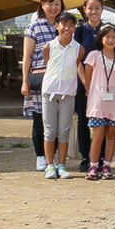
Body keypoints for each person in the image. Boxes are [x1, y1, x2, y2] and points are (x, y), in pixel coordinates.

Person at [21, 0, 63, 171]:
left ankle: (53, 157)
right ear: (42, 6)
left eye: (57, 4)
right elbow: (27, 56)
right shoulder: (34, 27)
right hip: (40, 79)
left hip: (62, 80)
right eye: (49, 4)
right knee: (40, 120)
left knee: (59, 121)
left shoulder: (65, 25)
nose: (53, 8)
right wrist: (24, 81)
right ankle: (40, 156)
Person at [40, 13, 85, 180]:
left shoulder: (79, 49)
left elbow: (76, 64)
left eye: (71, 25)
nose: (67, 28)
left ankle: (62, 165)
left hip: (68, 93)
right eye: (64, 24)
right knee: (50, 130)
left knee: (64, 130)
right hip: (49, 92)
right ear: (57, 26)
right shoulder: (49, 47)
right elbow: (49, 63)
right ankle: (49, 165)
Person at [84, 24, 115, 180]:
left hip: (114, 102)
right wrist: (91, 92)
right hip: (97, 102)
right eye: (107, 37)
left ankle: (107, 165)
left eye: (114, 37)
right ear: (101, 39)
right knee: (98, 135)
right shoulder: (93, 55)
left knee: (112, 134)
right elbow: (88, 77)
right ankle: (93, 165)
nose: (111, 40)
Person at [71, 0, 105, 172]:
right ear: (84, 10)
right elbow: (76, 59)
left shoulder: (107, 30)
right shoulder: (79, 31)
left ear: (102, 9)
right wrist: (85, 83)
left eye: (97, 8)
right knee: (83, 121)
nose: (94, 11)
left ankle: (101, 158)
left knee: (102, 121)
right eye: (90, 8)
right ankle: (85, 157)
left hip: (103, 83)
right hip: (82, 82)